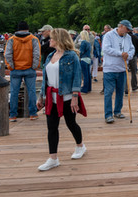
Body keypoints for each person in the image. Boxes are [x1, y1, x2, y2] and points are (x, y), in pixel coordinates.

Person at [36, 28, 87, 171]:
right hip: (51, 97)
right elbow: (45, 79)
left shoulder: (71, 56)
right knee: (52, 127)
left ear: (58, 39)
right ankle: (53, 158)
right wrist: (41, 97)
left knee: (71, 123)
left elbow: (77, 77)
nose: (49, 40)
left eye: (52, 38)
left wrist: (75, 98)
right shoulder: (50, 56)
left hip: (67, 96)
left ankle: (80, 146)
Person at [5, 21, 40, 122]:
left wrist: (11, 67)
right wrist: (34, 66)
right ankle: (33, 114)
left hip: (15, 69)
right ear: (27, 29)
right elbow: (37, 54)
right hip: (30, 69)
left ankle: (12, 115)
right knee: (32, 91)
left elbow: (8, 54)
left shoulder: (11, 40)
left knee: (14, 92)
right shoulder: (34, 39)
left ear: (18, 28)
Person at [101, 20, 135, 124]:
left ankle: (117, 111)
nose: (128, 31)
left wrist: (128, 55)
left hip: (122, 69)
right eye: (127, 29)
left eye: (129, 30)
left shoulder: (128, 37)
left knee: (120, 91)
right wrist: (121, 53)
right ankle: (108, 115)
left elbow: (132, 49)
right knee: (109, 92)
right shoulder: (109, 35)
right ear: (121, 26)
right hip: (110, 69)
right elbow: (106, 49)